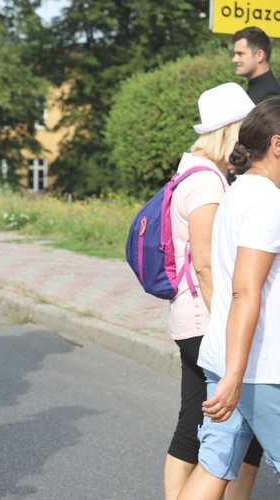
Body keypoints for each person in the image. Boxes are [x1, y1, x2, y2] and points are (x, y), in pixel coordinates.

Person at [176, 96, 280, 499]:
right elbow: (245, 290)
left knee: (213, 467)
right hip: (259, 368)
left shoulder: (238, 191)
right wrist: (236, 377)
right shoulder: (267, 202)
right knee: (214, 465)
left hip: (228, 358)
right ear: (276, 144)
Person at [232, 27, 280, 104]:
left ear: (259, 56)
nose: (234, 60)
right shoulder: (258, 89)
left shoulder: (270, 97)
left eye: (240, 54)